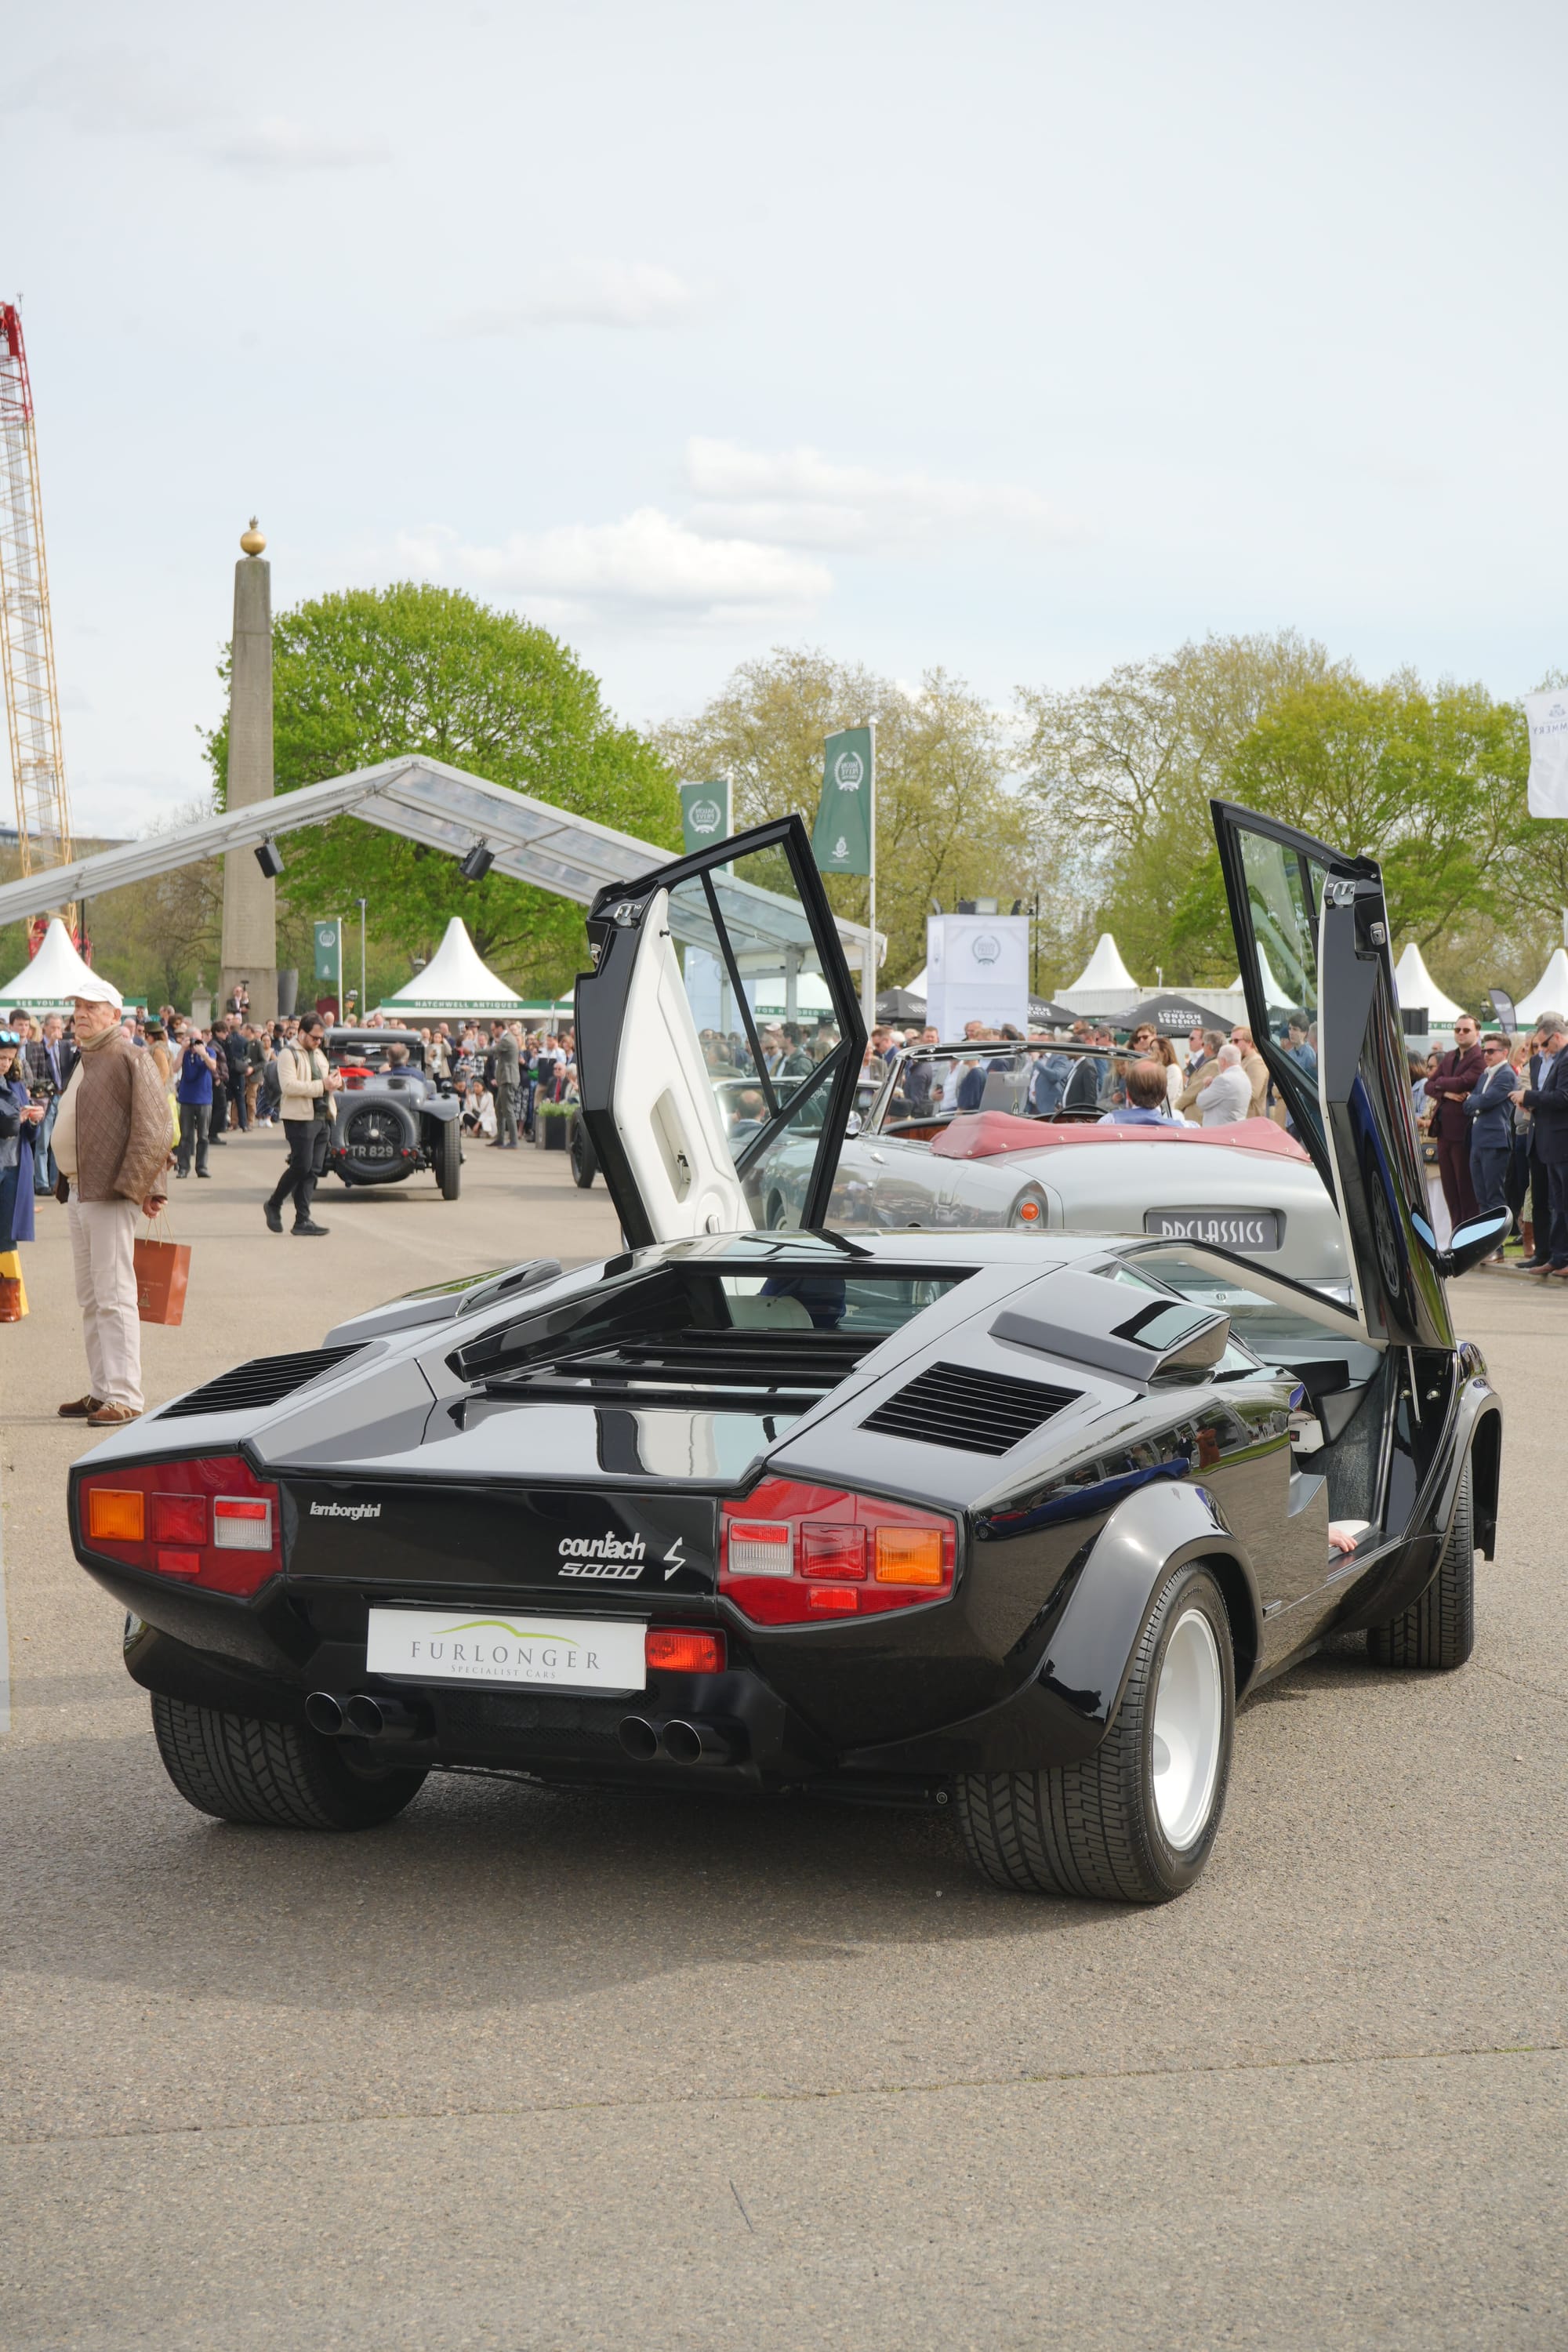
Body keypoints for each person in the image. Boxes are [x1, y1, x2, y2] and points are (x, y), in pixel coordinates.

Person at [52, 977, 172, 1427]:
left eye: (92, 1007)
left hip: (108, 1192)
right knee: (91, 1296)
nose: (81, 1013)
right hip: (80, 1189)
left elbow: (156, 1128)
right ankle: (103, 1389)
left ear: (114, 1015)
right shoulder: (87, 1055)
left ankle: (125, 1395)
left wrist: (145, 1187)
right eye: (78, 1006)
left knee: (115, 1294)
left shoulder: (130, 1056)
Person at [263, 1013, 341, 1237]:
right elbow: (289, 1086)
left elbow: (325, 1081)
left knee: (313, 1170)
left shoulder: (318, 1053)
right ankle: (274, 1203)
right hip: (299, 1118)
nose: (318, 1041)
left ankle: (302, 1220)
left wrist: (337, 1082)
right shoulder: (288, 1054)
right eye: (315, 1037)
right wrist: (323, 1085)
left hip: (322, 1117)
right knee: (301, 1166)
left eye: (321, 1038)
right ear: (302, 1033)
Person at [1510, 1012, 1568, 1276]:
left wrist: (1529, 1096)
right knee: (1555, 1202)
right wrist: (1531, 1102)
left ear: (1556, 1036)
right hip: (1546, 1139)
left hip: (1561, 1140)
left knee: (1562, 1203)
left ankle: (1560, 1256)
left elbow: (1562, 1097)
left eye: (1544, 1044)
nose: (1542, 1049)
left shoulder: (1564, 1059)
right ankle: (1557, 1256)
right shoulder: (1547, 1060)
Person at [1426, 1014, 1485, 1228]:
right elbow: (1428, 1085)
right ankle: (1455, 1231)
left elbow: (1464, 1082)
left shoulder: (1479, 1058)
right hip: (1443, 1131)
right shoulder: (1450, 1056)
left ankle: (1468, 1234)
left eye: (1466, 1030)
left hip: (1464, 1132)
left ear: (1477, 1033)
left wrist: (1441, 1083)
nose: (1461, 1033)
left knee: (1465, 1188)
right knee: (1450, 1189)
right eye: (1457, 1029)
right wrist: (1446, 1093)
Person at [1464, 1033, 1515, 1259]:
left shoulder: (1506, 1074)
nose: (1486, 1054)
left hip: (1495, 1141)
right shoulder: (1486, 1074)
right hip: (1478, 1140)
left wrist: (1474, 1102)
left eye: (1491, 1051)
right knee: (1482, 1197)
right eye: (1485, 1050)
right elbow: (1469, 1104)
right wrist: (1474, 1103)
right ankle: (1486, 1247)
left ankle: (1497, 1248)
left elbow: (1484, 1101)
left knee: (1494, 1196)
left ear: (1504, 1052)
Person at [0, 1029, 45, 1279]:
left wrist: (34, 1120)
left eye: (10, 1058)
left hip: (14, 1167)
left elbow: (29, 1136)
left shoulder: (16, 1085)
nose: (5, 1064)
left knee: (8, 1236)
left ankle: (9, 1293)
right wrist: (14, 1119)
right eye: (1, 1058)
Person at [175, 1026, 220, 1177]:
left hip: (204, 1099)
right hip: (186, 1098)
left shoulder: (209, 1051)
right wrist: (183, 1049)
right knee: (185, 1136)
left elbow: (213, 1066)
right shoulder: (184, 1053)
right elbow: (174, 1068)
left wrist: (203, 1054)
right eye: (193, 1040)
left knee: (203, 1136)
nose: (196, 1043)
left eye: (199, 1039)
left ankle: (202, 1167)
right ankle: (183, 1167)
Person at [1098, 1060, 1172, 1126]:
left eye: (1122, 1064)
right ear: (1164, 1095)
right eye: (1118, 1065)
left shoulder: (1108, 1121)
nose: (1120, 1068)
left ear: (1128, 1095)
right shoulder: (1177, 1128)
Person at [1198, 1042, 1253, 1127]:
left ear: (1223, 1061)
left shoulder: (1223, 1080)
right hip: (1237, 1128)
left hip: (1219, 1131)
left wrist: (1207, 1086)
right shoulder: (1245, 1078)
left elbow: (1201, 1102)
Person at [491, 1019, 521, 1148]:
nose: (492, 1032)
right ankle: (500, 1138)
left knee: (508, 1110)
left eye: (493, 1029)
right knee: (499, 1109)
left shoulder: (507, 1039)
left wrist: (476, 1051)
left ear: (500, 1028)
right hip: (505, 1079)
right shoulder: (507, 1038)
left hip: (509, 1079)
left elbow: (493, 1051)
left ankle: (513, 1141)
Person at [1229, 1026, 1269, 1118]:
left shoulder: (1256, 1062)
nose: (1232, 1044)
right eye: (1231, 1041)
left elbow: (1253, 1094)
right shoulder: (1243, 1061)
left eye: (1236, 1041)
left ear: (1249, 1042)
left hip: (1251, 1119)